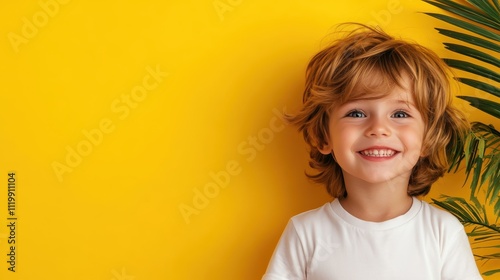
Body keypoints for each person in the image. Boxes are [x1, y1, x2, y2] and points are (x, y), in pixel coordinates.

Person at [262, 24, 483, 280]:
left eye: (400, 114)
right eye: (356, 113)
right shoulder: (306, 233)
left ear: (427, 139)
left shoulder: (443, 232)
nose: (378, 128)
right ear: (323, 136)